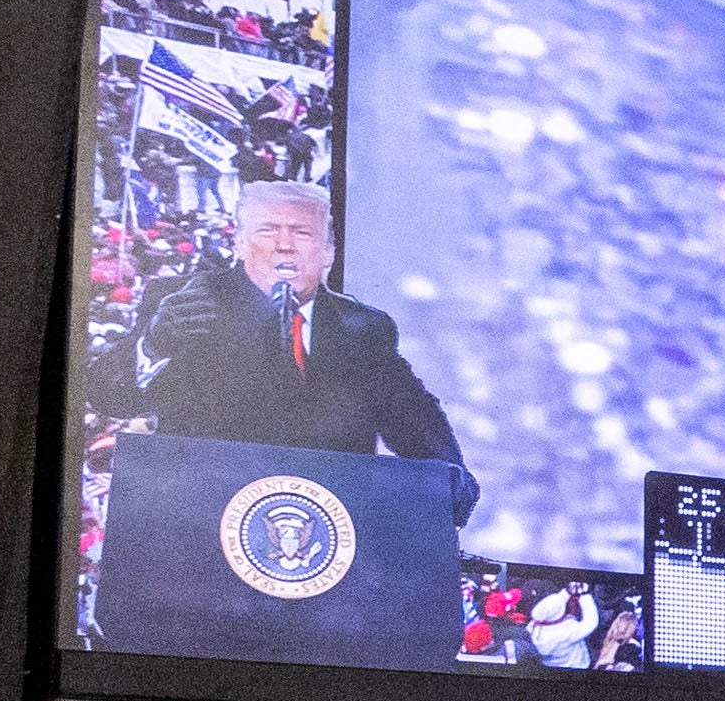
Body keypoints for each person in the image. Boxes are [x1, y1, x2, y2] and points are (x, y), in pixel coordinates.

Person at [132, 182, 472, 503]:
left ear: (328, 252)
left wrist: (450, 475)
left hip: (329, 525)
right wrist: (153, 346)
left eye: (302, 232)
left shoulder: (365, 328)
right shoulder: (179, 303)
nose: (285, 245)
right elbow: (108, 396)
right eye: (267, 230)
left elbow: (412, 418)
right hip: (201, 516)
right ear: (238, 243)